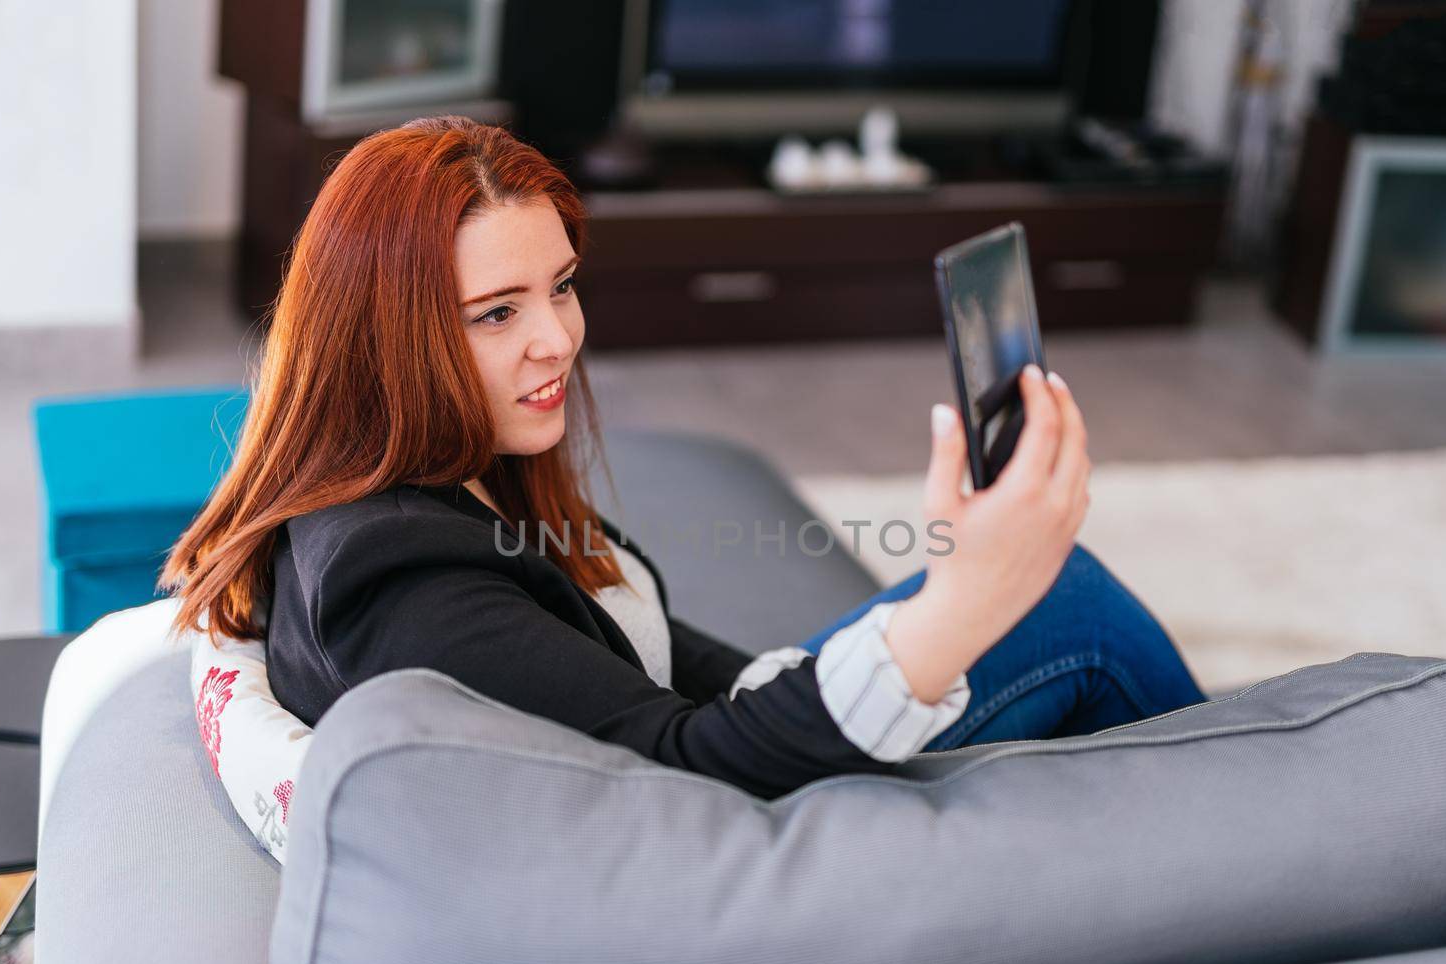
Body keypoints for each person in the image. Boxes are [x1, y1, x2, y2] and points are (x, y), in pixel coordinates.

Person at [162, 116, 1207, 803]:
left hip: (708, 746)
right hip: (722, 834)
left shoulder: (456, 460)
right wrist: (955, 614)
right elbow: (683, 768)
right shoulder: (401, 584)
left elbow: (653, 660)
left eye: (560, 286)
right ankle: (1256, 821)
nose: (556, 339)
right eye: (496, 312)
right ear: (385, 336)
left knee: (1039, 598)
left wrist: (889, 644)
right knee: (1064, 608)